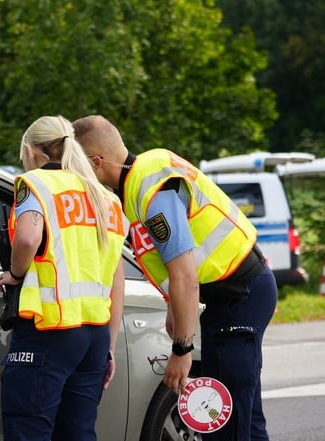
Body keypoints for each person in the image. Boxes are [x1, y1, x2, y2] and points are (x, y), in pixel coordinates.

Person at [71, 114, 277, 441]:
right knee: (243, 419)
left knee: (223, 424)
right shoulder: (143, 177)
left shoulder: (150, 187)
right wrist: (172, 306)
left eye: (76, 166)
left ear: (96, 163)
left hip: (238, 294)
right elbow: (173, 262)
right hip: (238, 292)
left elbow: (184, 273)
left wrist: (182, 350)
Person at [0, 115, 127, 441]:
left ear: (31, 150)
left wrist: (14, 274)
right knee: (79, 433)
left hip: (49, 331)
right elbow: (115, 279)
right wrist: (109, 347)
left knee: (29, 429)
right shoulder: (105, 198)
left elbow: (27, 239)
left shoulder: (35, 184)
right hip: (94, 339)